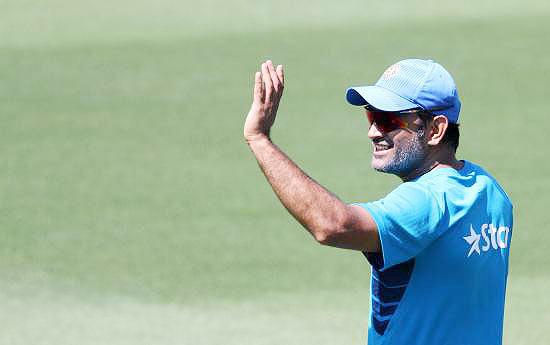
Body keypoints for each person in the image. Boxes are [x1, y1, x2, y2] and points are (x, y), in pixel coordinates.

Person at [243, 58, 513, 345]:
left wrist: (259, 139)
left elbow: (333, 226)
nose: (373, 132)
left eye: (389, 120)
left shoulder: (427, 201)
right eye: (372, 117)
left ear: (436, 130)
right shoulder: (491, 192)